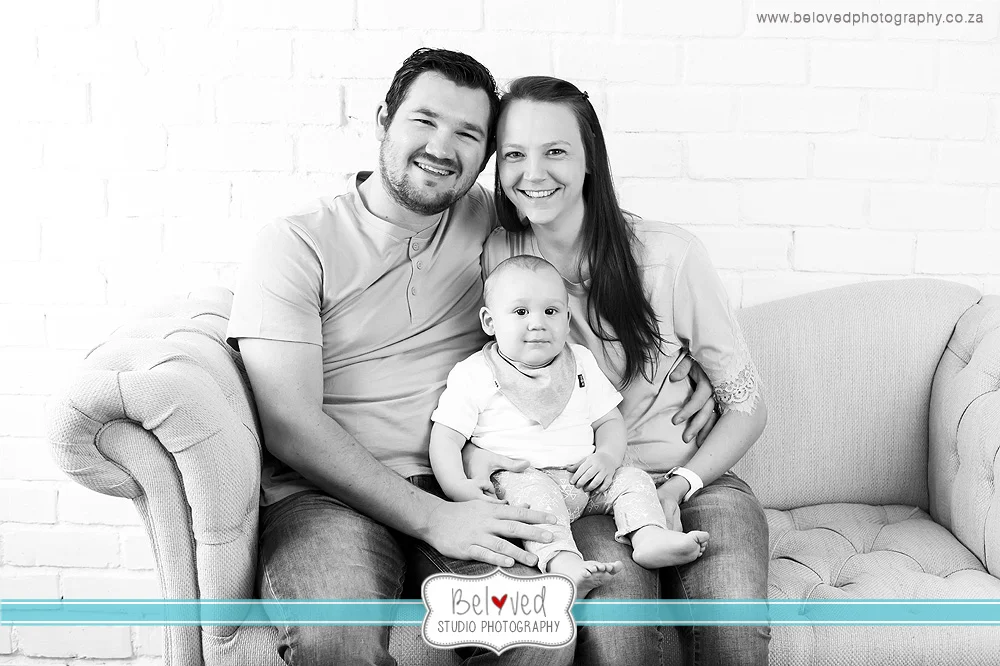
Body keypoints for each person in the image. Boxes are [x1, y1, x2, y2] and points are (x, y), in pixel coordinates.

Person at [226, 50, 716, 665]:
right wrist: (433, 518)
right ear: (382, 121)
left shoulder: (487, 223)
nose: (441, 147)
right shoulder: (295, 244)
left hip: (470, 483)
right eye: (424, 121)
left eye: (467, 134)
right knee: (336, 638)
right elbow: (289, 423)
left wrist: (683, 366)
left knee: (539, 632)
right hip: (328, 497)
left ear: (486, 156)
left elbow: (594, 251)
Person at [473, 76, 771, 665]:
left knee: (734, 628)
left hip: (692, 477)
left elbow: (747, 406)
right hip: (584, 491)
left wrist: (678, 486)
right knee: (619, 636)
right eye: (513, 154)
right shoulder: (498, 255)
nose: (533, 173)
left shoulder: (669, 256)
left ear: (590, 160)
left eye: (555, 151)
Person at [430, 255, 709, 598]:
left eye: (550, 311)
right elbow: (445, 437)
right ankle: (564, 565)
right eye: (521, 312)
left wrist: (607, 457)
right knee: (536, 500)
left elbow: (608, 419)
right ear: (490, 321)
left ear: (566, 319)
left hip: (584, 478)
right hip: (520, 480)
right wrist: (458, 487)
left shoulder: (580, 362)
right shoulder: (474, 373)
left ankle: (649, 536)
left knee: (633, 478)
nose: (537, 323)